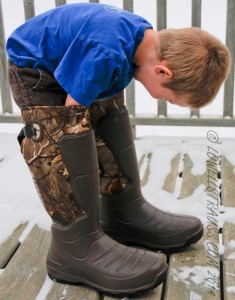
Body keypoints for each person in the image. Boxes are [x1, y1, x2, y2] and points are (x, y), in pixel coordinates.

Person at [6, 2, 231, 297]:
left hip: (74, 56)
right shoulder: (106, 52)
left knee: (106, 105)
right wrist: (70, 131)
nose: (164, 102)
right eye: (169, 99)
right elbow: (73, 113)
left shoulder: (139, 41)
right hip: (36, 69)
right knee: (60, 132)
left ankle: (124, 212)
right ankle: (75, 247)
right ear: (163, 72)